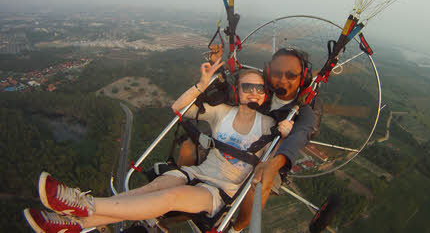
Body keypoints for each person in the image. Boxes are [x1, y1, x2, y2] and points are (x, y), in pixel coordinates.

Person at [22, 58, 291, 233]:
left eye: (259, 89)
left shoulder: (269, 125)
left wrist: (286, 133)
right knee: (149, 189)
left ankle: (82, 203)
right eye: (247, 87)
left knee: (167, 199)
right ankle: (73, 224)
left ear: (266, 94)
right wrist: (201, 84)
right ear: (238, 90)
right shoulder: (222, 112)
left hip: (219, 191)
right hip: (195, 174)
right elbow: (178, 108)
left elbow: (276, 161)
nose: (253, 93)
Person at [169, 46, 321, 231]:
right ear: (268, 72)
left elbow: (299, 136)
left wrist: (274, 164)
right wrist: (216, 66)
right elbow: (236, 83)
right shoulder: (263, 88)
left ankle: (236, 228)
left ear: (302, 78)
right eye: (276, 73)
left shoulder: (303, 113)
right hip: (233, 146)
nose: (282, 80)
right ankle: (182, 194)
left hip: (268, 157)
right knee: (188, 145)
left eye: (291, 75)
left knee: (260, 181)